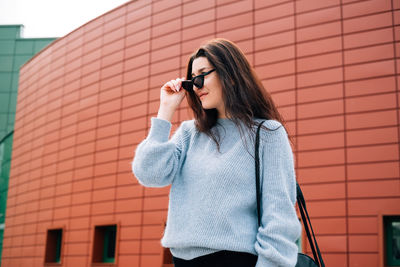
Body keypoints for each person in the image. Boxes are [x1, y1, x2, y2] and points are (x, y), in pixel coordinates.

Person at [132, 38, 301, 267]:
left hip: (235, 260)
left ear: (230, 75)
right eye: (192, 80)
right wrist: (166, 110)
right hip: (182, 260)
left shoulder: (267, 134)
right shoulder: (190, 133)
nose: (196, 85)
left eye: (202, 75)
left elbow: (279, 219)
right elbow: (149, 173)